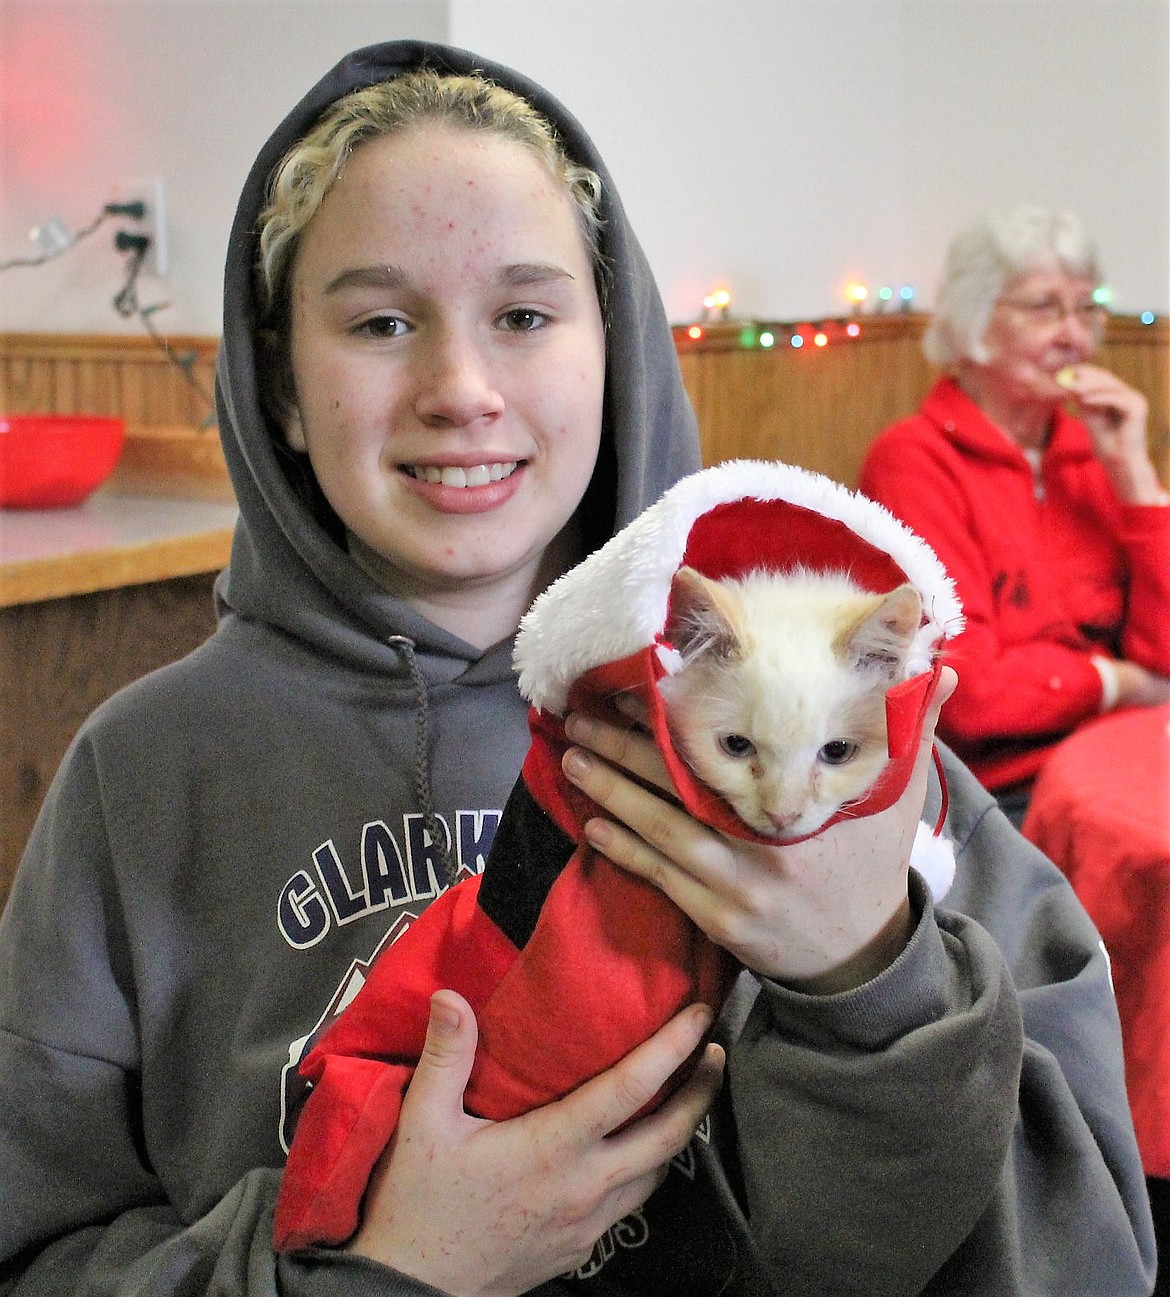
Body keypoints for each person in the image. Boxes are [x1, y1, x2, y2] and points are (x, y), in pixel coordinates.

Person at [0, 44, 1156, 1297]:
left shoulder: (848, 742)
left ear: (615, 354)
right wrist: (391, 1269)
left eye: (526, 314)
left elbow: (1086, 1250)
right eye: (382, 321)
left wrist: (870, 978)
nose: (461, 389)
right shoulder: (142, 775)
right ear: (281, 387)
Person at [860, 204, 1170, 827]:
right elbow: (970, 694)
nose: (1074, 336)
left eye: (1086, 308)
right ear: (974, 321)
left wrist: (1137, 479)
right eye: (1043, 307)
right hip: (1000, 791)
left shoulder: (1092, 454)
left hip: (1123, 754)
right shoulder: (914, 461)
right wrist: (1119, 684)